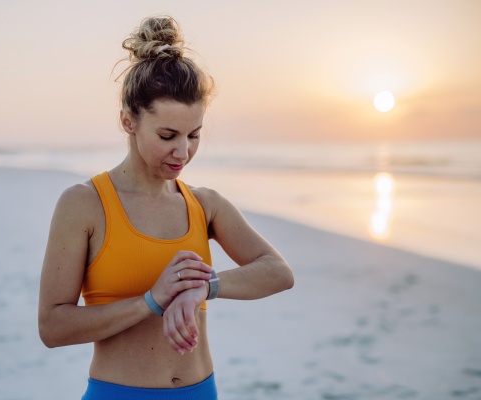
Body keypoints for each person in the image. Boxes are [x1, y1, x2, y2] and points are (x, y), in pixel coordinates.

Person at [38, 15, 294, 400]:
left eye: (194, 135)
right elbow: (53, 327)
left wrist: (203, 289)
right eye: (167, 135)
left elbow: (278, 272)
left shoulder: (204, 204)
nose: (184, 152)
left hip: (200, 391)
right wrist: (150, 302)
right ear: (128, 121)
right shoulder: (84, 204)